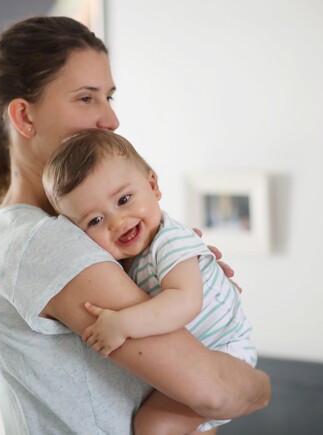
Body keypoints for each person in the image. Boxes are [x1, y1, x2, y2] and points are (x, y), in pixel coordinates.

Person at [0, 15, 270, 435]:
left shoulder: (43, 233)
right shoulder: (47, 243)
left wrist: (181, 273)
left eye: (109, 97)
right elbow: (214, 393)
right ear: (23, 117)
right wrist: (260, 386)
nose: (110, 119)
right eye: (86, 98)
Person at [43, 128, 257, 433]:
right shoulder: (120, 262)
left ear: (153, 185)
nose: (118, 222)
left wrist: (122, 324)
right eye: (95, 221)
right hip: (194, 361)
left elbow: (185, 302)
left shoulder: (170, 241)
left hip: (225, 353)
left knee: (152, 425)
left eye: (124, 199)